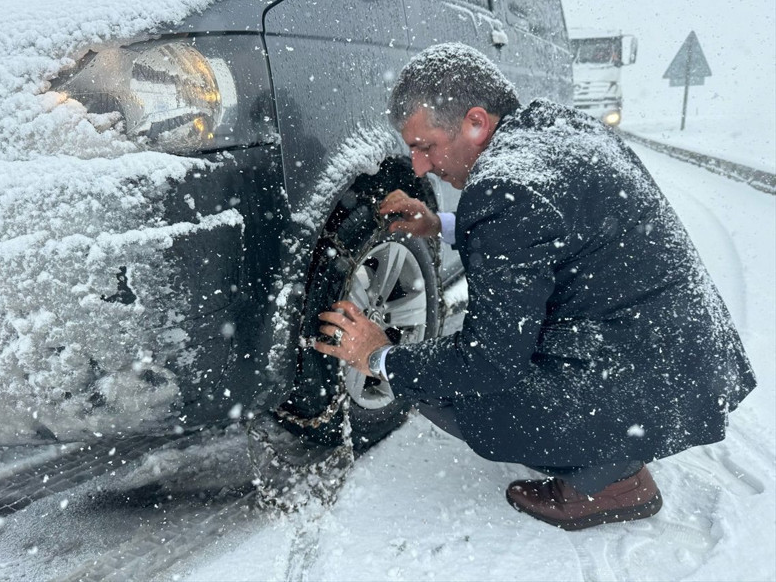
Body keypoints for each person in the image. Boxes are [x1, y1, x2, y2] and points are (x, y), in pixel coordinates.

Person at [313, 43, 756, 530]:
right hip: (690, 362)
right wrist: (440, 223)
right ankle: (615, 454)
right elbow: (552, 231)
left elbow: (488, 361)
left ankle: (610, 482)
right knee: (506, 344)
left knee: (444, 385)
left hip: (647, 384)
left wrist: (379, 356)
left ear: (476, 122)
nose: (418, 167)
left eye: (425, 146)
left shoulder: (504, 188)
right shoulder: (558, 128)